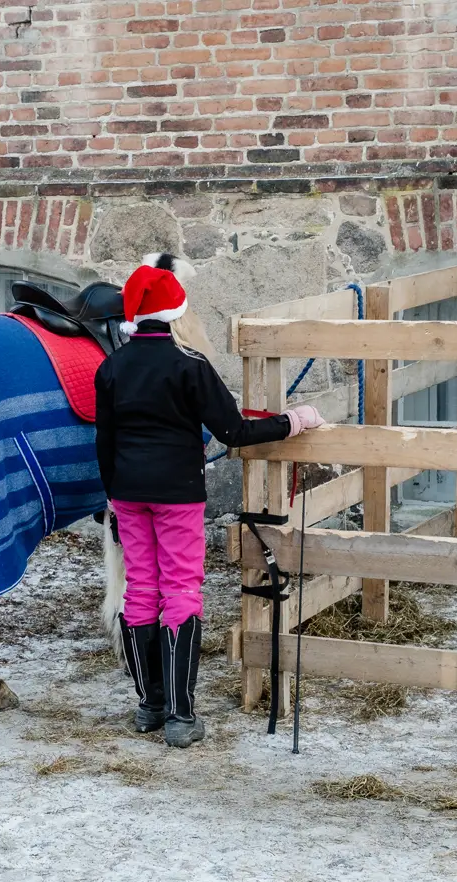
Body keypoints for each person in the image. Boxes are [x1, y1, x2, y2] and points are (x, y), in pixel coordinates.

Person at [95, 253, 325, 748]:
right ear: (177, 311)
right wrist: (293, 421)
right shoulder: (190, 365)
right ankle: (181, 715)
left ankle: (148, 706)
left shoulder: (112, 367)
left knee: (140, 589)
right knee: (180, 589)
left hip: (128, 495)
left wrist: (115, 494)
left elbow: (104, 443)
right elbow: (234, 431)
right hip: (177, 494)